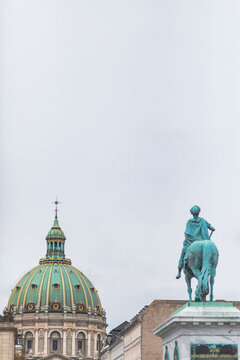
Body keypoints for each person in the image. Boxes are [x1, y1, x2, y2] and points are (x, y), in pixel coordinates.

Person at [176, 205, 215, 279]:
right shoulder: (202, 220)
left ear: (192, 213)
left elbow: (187, 233)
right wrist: (212, 229)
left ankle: (179, 272)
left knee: (183, 253)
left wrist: (193, 239)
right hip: (203, 240)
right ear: (198, 212)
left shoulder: (189, 222)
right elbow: (211, 227)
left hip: (191, 242)